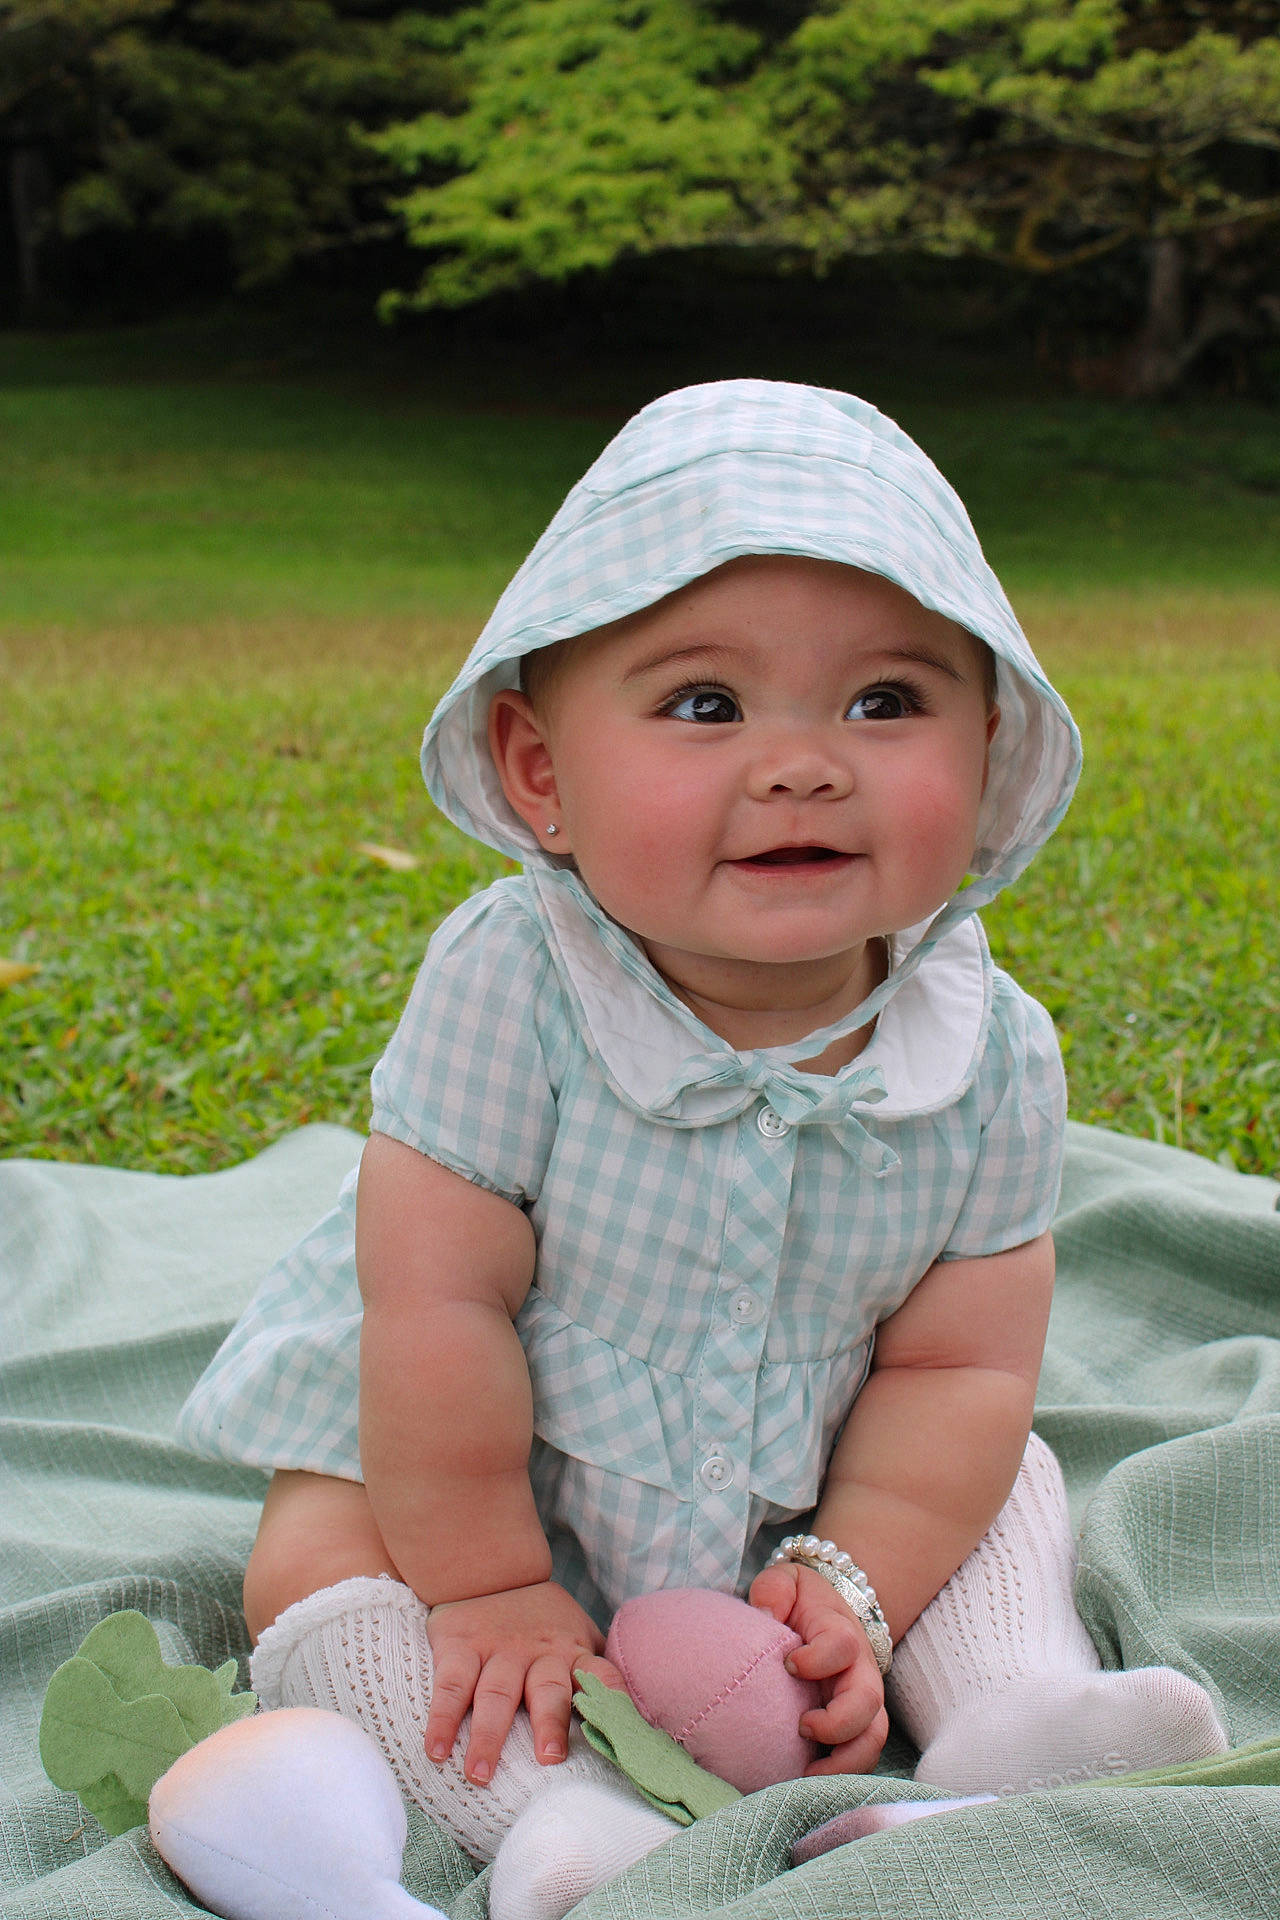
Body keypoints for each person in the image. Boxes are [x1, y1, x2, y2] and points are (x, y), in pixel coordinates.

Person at [177, 380, 1227, 1920]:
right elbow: (434, 1306)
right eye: (705, 705)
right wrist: (489, 1581)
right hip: (473, 1456)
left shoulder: (991, 1050)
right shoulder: (513, 985)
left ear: (991, 752)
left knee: (1007, 1474)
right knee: (323, 1560)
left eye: (885, 703)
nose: (803, 763)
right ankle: (558, 1807)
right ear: (541, 771)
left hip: (807, 1471)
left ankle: (1006, 1706)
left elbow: (956, 1371)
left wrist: (857, 1579)